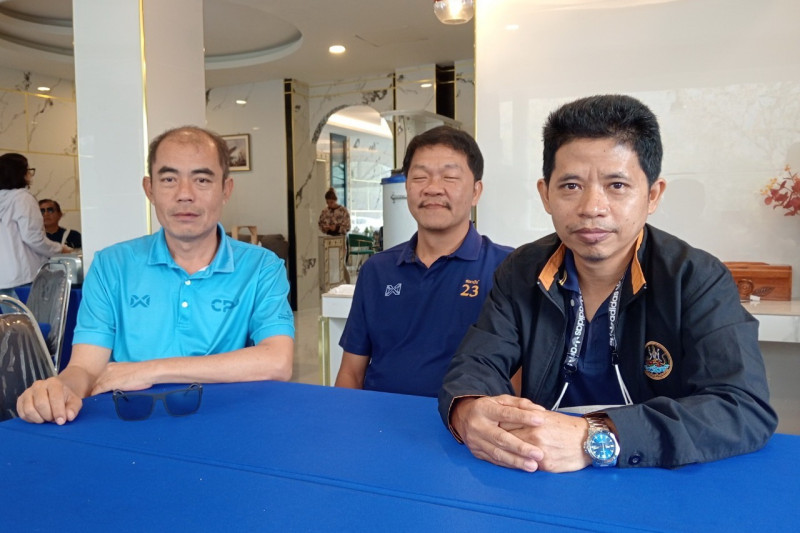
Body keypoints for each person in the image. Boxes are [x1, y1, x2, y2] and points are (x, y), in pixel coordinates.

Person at [439, 95, 777, 472]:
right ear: (546, 195)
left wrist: (597, 436)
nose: (592, 207)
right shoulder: (522, 270)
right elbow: (477, 361)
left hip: (658, 475)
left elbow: (742, 407)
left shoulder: (695, 278)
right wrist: (468, 409)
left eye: (617, 185)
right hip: (544, 470)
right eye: (571, 186)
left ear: (652, 195)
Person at [16, 126, 295, 424]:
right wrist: (57, 390)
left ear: (226, 190)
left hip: (225, 420)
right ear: (149, 189)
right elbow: (85, 368)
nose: (184, 195)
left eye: (202, 180)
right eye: (169, 179)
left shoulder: (262, 266)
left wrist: (149, 370)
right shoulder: (112, 265)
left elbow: (277, 360)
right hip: (131, 422)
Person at [335, 126, 513, 397]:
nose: (433, 189)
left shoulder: (507, 269)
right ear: (407, 187)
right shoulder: (377, 270)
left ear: (476, 191)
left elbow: (520, 378)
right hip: (378, 416)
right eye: (420, 177)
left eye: (449, 177)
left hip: (463, 421)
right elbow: (351, 371)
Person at [1, 153, 69, 303]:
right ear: (20, 173)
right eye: (28, 170)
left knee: (10, 318)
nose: (30, 175)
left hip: (3, 278)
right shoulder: (22, 198)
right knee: (30, 318)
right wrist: (60, 249)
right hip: (22, 278)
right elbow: (33, 237)